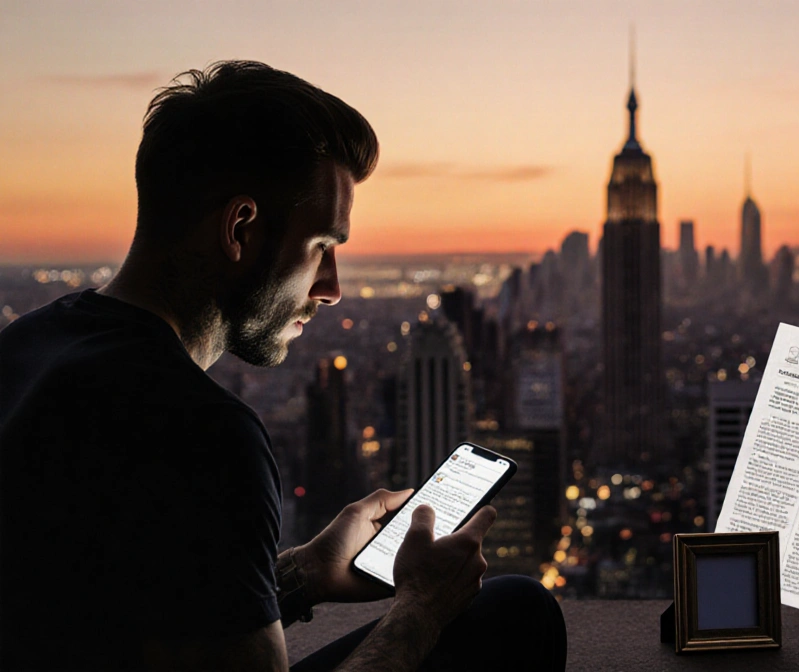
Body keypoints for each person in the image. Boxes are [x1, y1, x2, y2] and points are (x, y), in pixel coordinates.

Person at [0, 61, 566, 671]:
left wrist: (306, 573)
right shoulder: (203, 433)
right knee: (518, 614)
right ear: (240, 228)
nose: (332, 288)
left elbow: (122, 601)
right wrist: (421, 607)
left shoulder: (28, 344)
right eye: (321, 246)